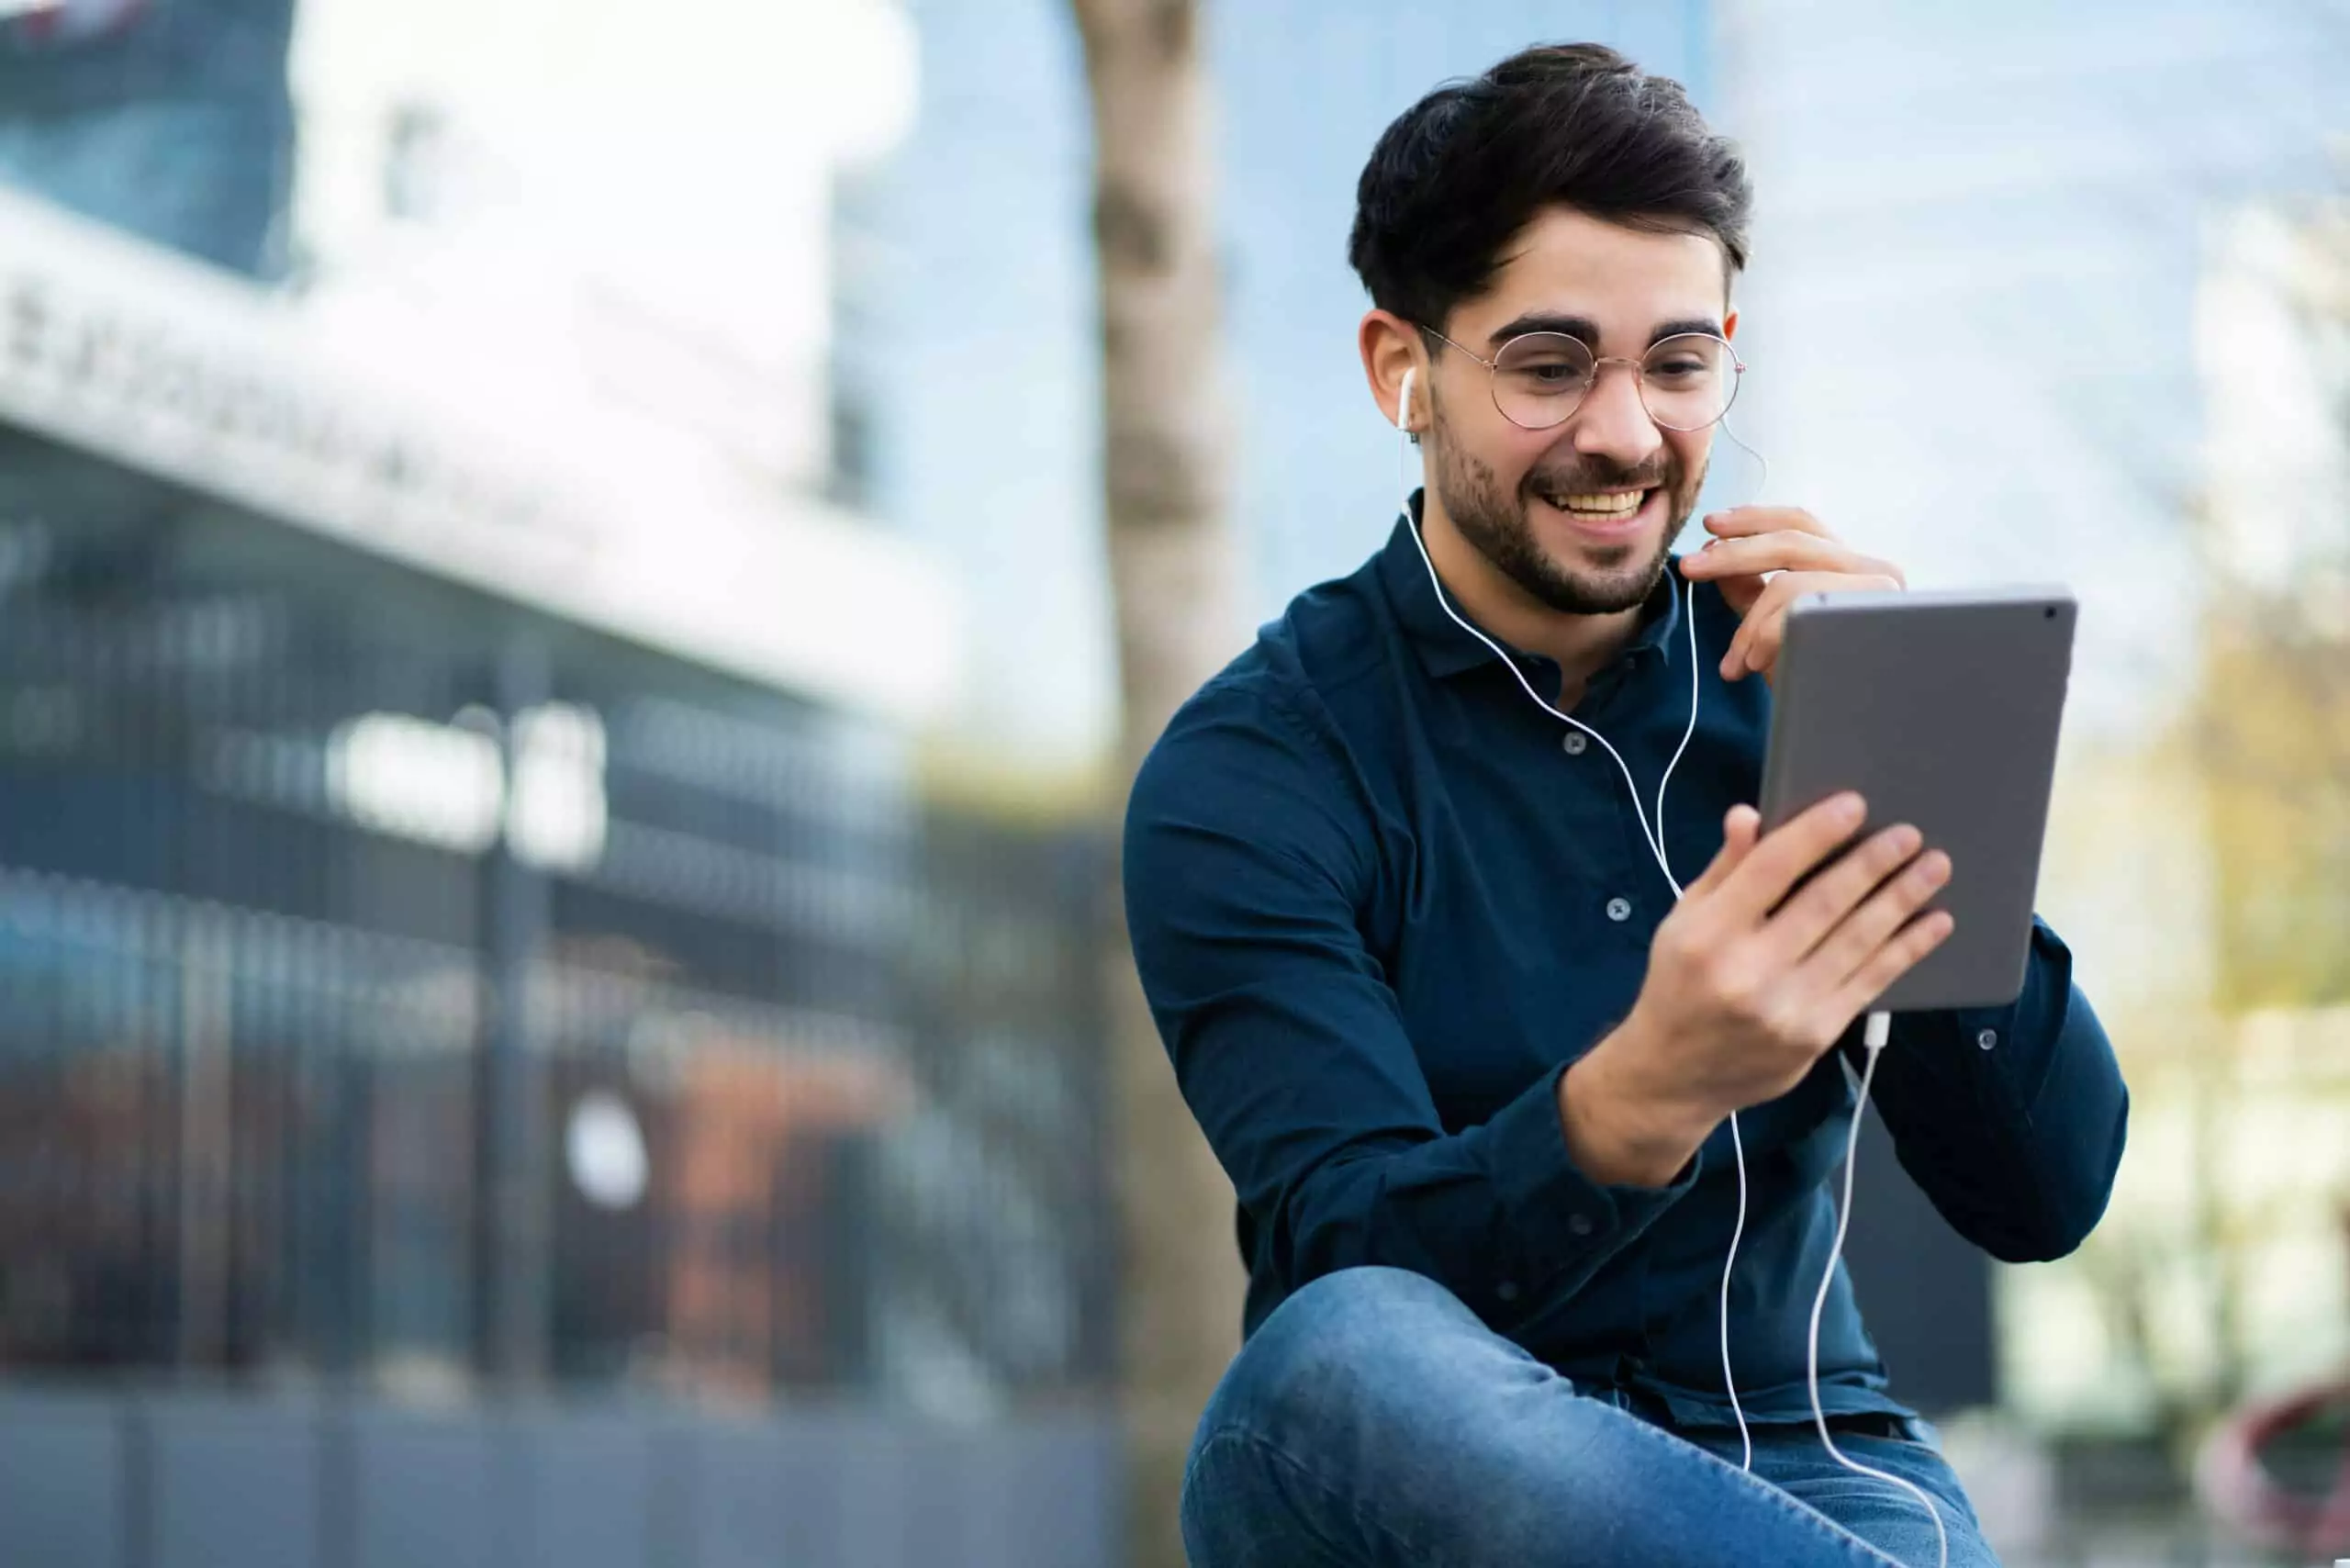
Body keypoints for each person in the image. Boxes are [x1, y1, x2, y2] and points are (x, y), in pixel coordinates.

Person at [1122, 42, 2129, 1568]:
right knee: (1336, 1356)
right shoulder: (1257, 770)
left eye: (1676, 362)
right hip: (1415, 1490)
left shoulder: (1803, 690)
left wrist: (1923, 772)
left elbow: (2045, 1195)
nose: (1625, 432)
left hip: (1810, 1472)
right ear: (1403, 369)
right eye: (1548, 364)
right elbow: (1343, 1269)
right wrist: (1639, 1095)